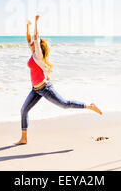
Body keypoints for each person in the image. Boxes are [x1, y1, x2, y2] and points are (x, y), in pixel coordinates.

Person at [15, 15, 102, 145]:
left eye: (33, 43)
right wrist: (27, 25)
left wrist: (36, 23)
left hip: (45, 88)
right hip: (35, 90)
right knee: (24, 110)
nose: (30, 43)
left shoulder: (38, 54)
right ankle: (24, 138)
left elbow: (35, 37)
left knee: (64, 104)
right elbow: (29, 39)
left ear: (37, 45)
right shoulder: (32, 53)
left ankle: (89, 106)